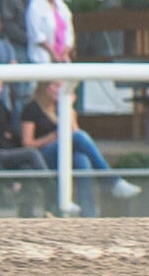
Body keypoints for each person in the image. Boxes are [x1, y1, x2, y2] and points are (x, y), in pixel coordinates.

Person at [19, 80, 139, 209]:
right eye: (55, 86)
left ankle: (88, 214)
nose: (59, 90)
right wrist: (52, 137)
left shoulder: (63, 106)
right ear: (44, 87)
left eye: (62, 86)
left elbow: (74, 132)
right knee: (79, 137)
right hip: (43, 156)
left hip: (65, 153)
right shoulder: (32, 108)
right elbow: (28, 144)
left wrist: (69, 108)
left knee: (81, 160)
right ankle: (111, 181)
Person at [0, 80, 49, 175]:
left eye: (1, 87)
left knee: (26, 168)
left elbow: (9, 131)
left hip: (8, 150)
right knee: (31, 154)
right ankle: (51, 187)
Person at [25, 0, 72, 65]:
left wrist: (65, 52)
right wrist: (53, 53)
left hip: (62, 57)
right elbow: (36, 34)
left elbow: (69, 32)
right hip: (43, 56)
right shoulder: (35, 6)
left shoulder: (62, 6)